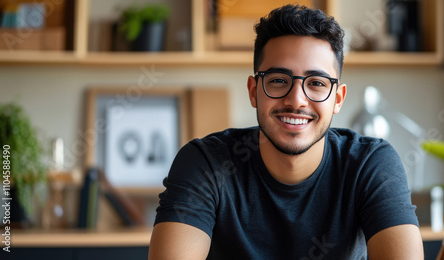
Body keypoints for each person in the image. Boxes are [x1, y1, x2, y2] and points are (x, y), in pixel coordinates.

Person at [149, 5, 423, 259]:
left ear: (337, 99)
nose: (297, 100)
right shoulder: (206, 163)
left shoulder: (370, 163)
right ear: (254, 91)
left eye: (316, 83)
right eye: (279, 80)